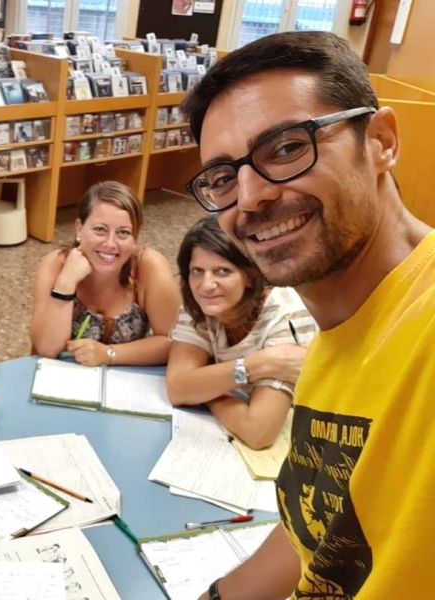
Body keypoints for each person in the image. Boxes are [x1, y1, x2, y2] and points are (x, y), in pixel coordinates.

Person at [181, 31, 433, 599]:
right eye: (222, 177)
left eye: (288, 148)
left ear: (382, 141)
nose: (249, 197)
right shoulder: (326, 345)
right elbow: (313, 535)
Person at [166, 216, 315, 450]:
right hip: (237, 417)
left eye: (222, 271)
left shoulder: (287, 314)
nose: (206, 285)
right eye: (197, 271)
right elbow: (177, 389)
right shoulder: (198, 305)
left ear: (249, 276)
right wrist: (258, 365)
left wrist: (204, 388)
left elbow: (258, 432)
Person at [30, 181, 181, 366]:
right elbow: (47, 348)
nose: (110, 243)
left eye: (123, 233)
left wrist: (108, 354)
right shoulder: (55, 265)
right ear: (79, 228)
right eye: (100, 230)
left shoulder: (148, 266)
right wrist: (66, 283)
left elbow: (174, 342)